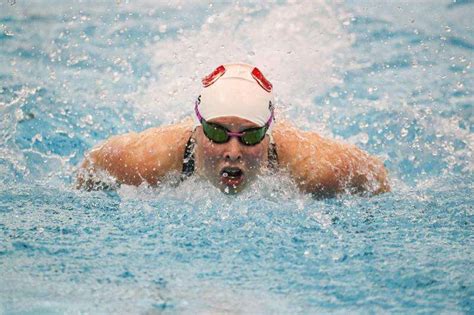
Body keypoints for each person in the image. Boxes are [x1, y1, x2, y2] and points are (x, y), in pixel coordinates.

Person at [77, 63, 390, 197]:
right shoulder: (146, 160)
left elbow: (378, 180)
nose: (233, 151)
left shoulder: (316, 168)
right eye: (217, 132)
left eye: (251, 136)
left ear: (268, 134)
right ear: (198, 129)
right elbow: (91, 168)